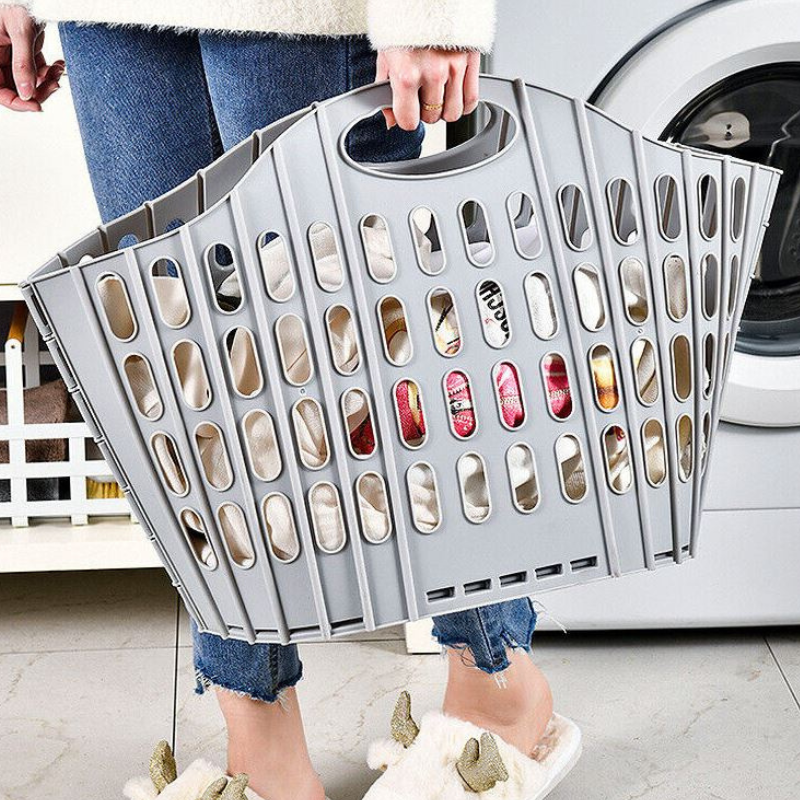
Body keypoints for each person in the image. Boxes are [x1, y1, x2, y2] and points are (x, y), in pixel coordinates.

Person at [0, 3, 578, 798]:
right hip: (109, 13)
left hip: (295, 14)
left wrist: (432, 14)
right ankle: (261, 741)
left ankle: (497, 686)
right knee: (174, 371)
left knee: (366, 344)